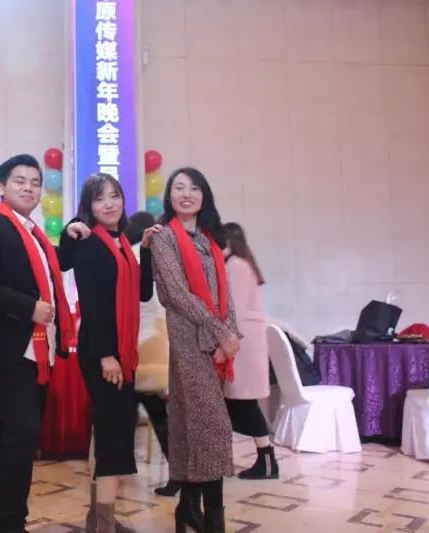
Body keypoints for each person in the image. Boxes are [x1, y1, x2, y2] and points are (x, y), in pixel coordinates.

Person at [0, 154, 88, 533]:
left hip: (38, 351)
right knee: (21, 437)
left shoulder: (35, 235)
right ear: (2, 187)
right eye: (20, 181)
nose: (29, 188)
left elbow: (53, 267)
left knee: (17, 439)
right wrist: (27, 307)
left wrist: (70, 235)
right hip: (11, 349)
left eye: (35, 182)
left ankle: (5, 519)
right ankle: (6, 523)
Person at [59, 174, 159, 532]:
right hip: (102, 351)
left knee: (110, 434)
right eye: (100, 199)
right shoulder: (88, 242)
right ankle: (104, 524)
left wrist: (145, 250)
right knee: (113, 438)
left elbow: (143, 294)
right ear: (90, 206)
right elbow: (93, 303)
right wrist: (105, 355)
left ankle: (97, 519)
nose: (109, 204)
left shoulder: (122, 244)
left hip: (121, 351)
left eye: (114, 196)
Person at [149, 167, 240, 533]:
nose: (186, 194)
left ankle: (188, 507)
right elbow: (176, 294)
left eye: (194, 188)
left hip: (216, 345)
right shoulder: (164, 238)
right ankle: (213, 517)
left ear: (204, 196)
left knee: (197, 427)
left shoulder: (210, 239)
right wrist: (220, 333)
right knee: (213, 427)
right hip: (189, 342)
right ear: (169, 196)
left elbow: (224, 293)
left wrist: (229, 336)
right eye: (179, 188)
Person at [125, 212, 175, 497]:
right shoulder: (163, 256)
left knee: (131, 406)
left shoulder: (132, 254)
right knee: (155, 408)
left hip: (138, 342)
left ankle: (119, 465)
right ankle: (176, 472)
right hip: (159, 340)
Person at [222, 222, 277, 480]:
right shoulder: (240, 265)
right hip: (242, 343)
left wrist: (224, 342)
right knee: (239, 402)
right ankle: (265, 458)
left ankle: (267, 459)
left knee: (243, 402)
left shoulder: (237, 266)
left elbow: (235, 309)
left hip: (241, 345)